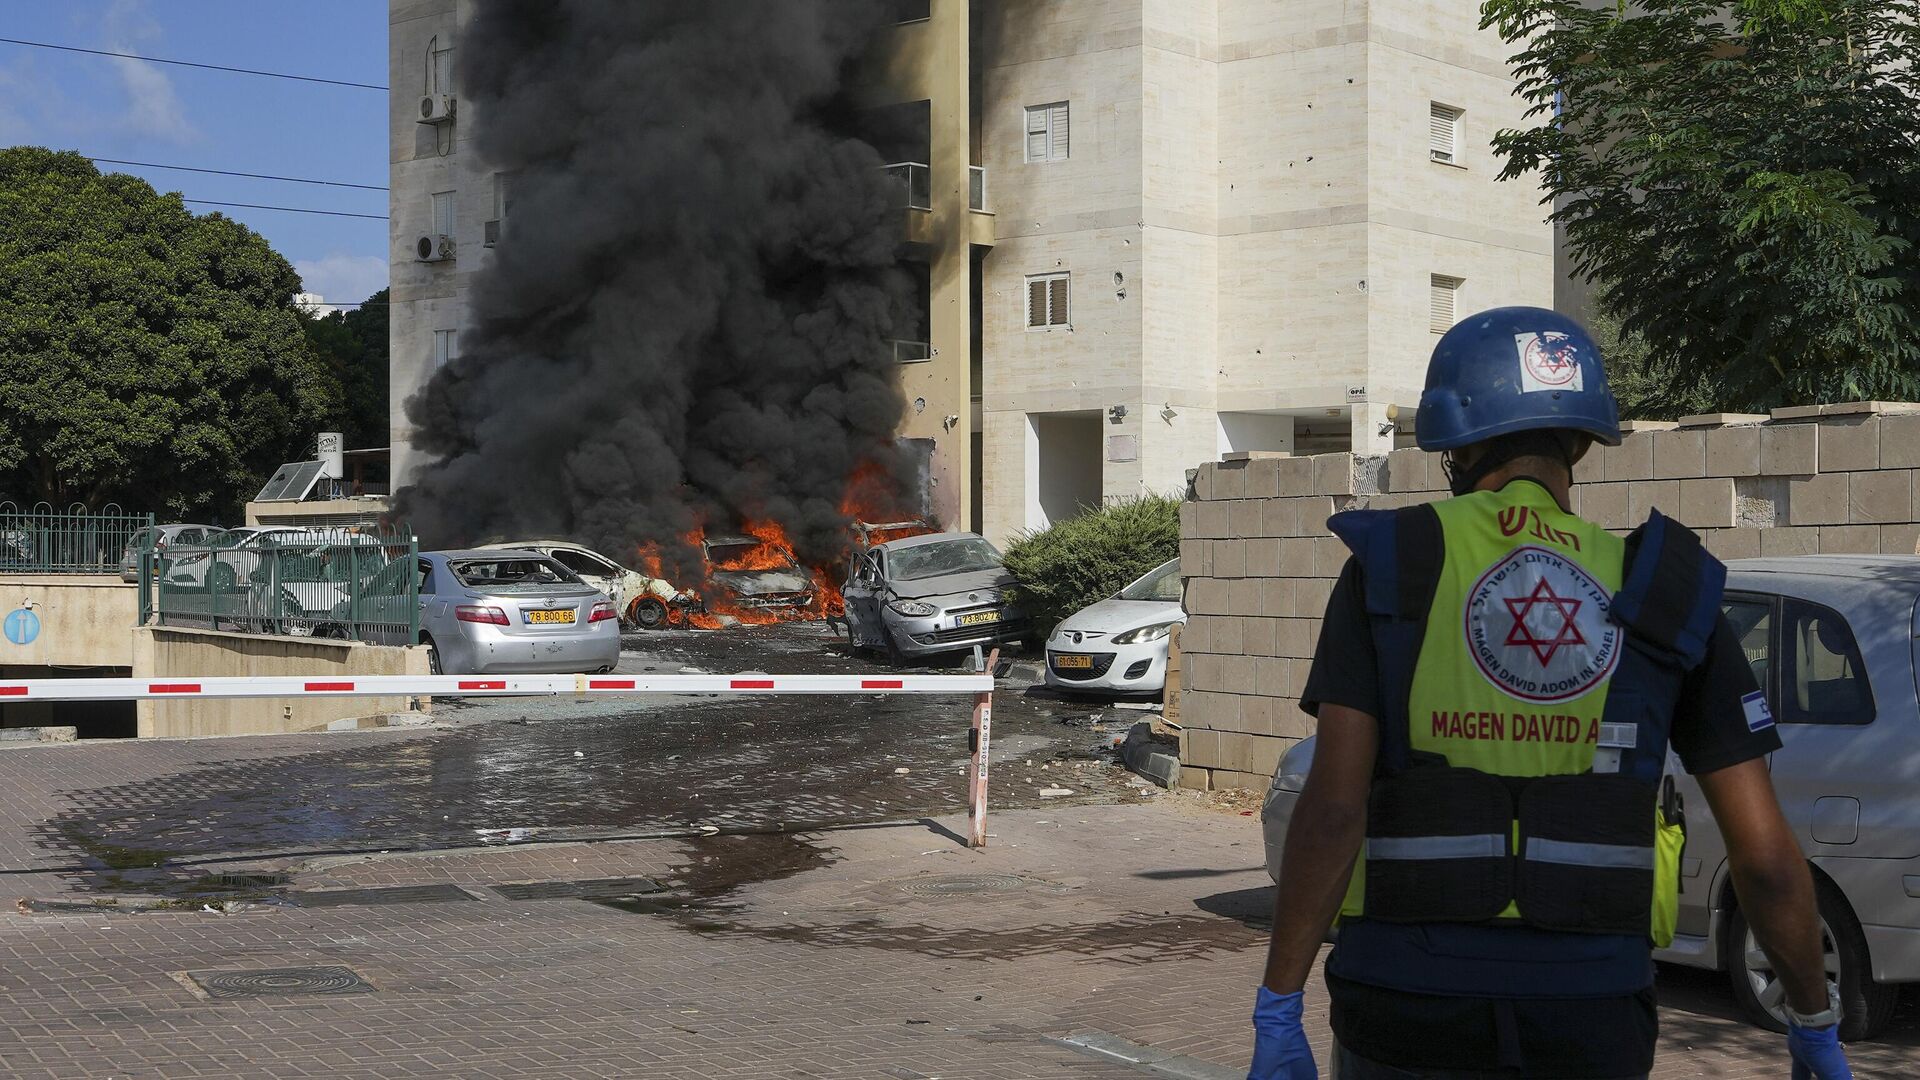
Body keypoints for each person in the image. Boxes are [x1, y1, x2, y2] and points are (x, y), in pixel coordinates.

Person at [1246, 308, 1853, 1080]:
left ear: (1456, 446)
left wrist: (1278, 1005)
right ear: (1578, 443)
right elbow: (1763, 857)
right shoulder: (1663, 589)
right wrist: (1812, 1025)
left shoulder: (1392, 565)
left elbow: (1332, 811)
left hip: (1406, 1005)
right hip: (1590, 1013)